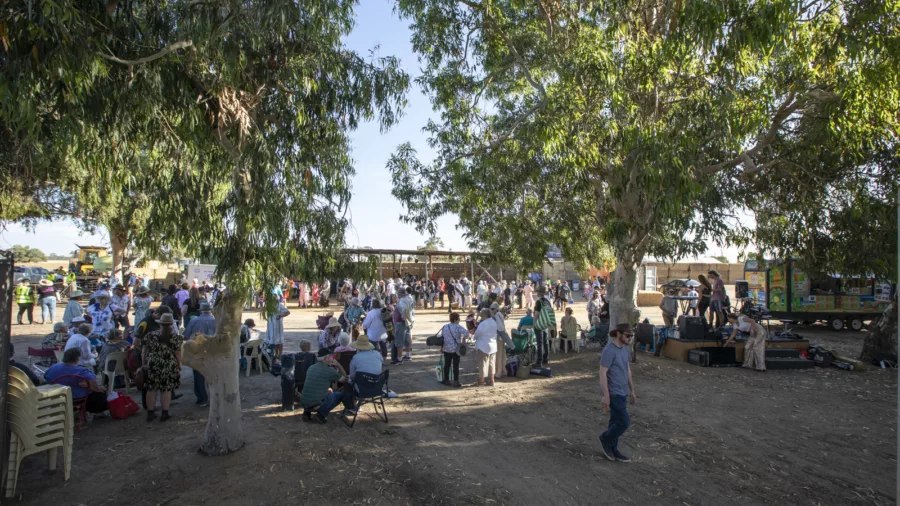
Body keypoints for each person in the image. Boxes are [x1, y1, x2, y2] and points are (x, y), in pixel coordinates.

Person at [599, 323, 637, 463]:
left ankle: (612, 448)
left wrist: (632, 390)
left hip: (623, 391)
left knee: (615, 421)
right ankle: (605, 438)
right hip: (613, 392)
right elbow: (602, 373)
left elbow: (627, 370)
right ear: (618, 334)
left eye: (631, 335)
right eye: (627, 335)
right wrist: (606, 395)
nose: (630, 338)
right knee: (624, 422)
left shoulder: (625, 350)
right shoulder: (609, 351)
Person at [142, 313, 183, 421]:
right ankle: (165, 413)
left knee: (151, 389)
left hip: (152, 363)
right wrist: (179, 365)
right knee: (166, 389)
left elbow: (144, 351)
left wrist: (144, 364)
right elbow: (178, 353)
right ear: (171, 324)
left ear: (160, 323)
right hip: (168, 364)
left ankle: (150, 413)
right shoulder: (176, 337)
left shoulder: (150, 335)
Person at [44, 348, 108, 414]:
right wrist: (101, 389)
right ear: (77, 359)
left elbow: (46, 378)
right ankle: (98, 413)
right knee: (101, 393)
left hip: (55, 397)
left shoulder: (53, 367)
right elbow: (94, 387)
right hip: (74, 399)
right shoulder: (82, 372)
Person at [300, 354, 353, 424]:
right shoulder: (329, 371)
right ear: (326, 358)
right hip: (316, 405)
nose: (333, 358)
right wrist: (338, 364)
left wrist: (327, 389)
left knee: (313, 393)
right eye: (331, 356)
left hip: (304, 403)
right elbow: (344, 379)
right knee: (339, 395)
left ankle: (306, 412)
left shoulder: (311, 367)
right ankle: (321, 415)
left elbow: (315, 383)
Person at [183, 301, 216, 406]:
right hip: (212, 351)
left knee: (198, 375)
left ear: (200, 310)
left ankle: (202, 398)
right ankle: (214, 397)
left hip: (198, 350)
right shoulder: (216, 321)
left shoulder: (194, 321)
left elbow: (186, 336)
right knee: (213, 375)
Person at [440, 312, 468, 387]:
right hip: (456, 349)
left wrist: (441, 347)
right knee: (455, 365)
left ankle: (446, 379)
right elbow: (466, 334)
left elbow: (442, 338)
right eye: (458, 318)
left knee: (447, 364)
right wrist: (463, 339)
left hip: (446, 348)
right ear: (456, 319)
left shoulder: (445, 326)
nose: (459, 320)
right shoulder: (458, 327)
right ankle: (456, 381)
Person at [473, 308, 498, 387]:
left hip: (483, 345)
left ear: (484, 315)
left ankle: (482, 380)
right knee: (492, 363)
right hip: (493, 345)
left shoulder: (483, 324)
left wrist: (474, 337)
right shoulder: (494, 322)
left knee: (483, 363)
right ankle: (492, 380)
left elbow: (477, 334)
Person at [532, 285, 552, 366]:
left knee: (539, 343)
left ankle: (539, 361)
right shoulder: (547, 302)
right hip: (545, 324)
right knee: (545, 342)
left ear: (539, 293)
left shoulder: (539, 302)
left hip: (539, 324)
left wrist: (534, 324)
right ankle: (545, 358)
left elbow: (536, 314)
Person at [396, 287, 415, 361]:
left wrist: (403, 316)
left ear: (400, 294)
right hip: (408, 321)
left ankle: (399, 358)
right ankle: (407, 355)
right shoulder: (408, 299)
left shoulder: (401, 301)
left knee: (400, 340)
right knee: (407, 338)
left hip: (402, 322)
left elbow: (404, 309)